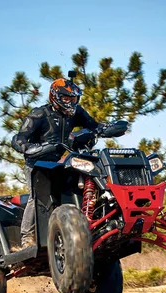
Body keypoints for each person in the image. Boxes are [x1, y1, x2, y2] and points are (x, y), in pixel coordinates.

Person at [11, 77, 103, 250]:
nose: (70, 102)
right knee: (36, 196)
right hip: (37, 164)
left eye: (73, 99)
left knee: (76, 189)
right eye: (66, 98)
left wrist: (106, 129)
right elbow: (18, 139)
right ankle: (27, 237)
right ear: (55, 96)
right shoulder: (39, 114)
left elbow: (94, 126)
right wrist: (33, 148)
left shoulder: (76, 113)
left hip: (59, 164)